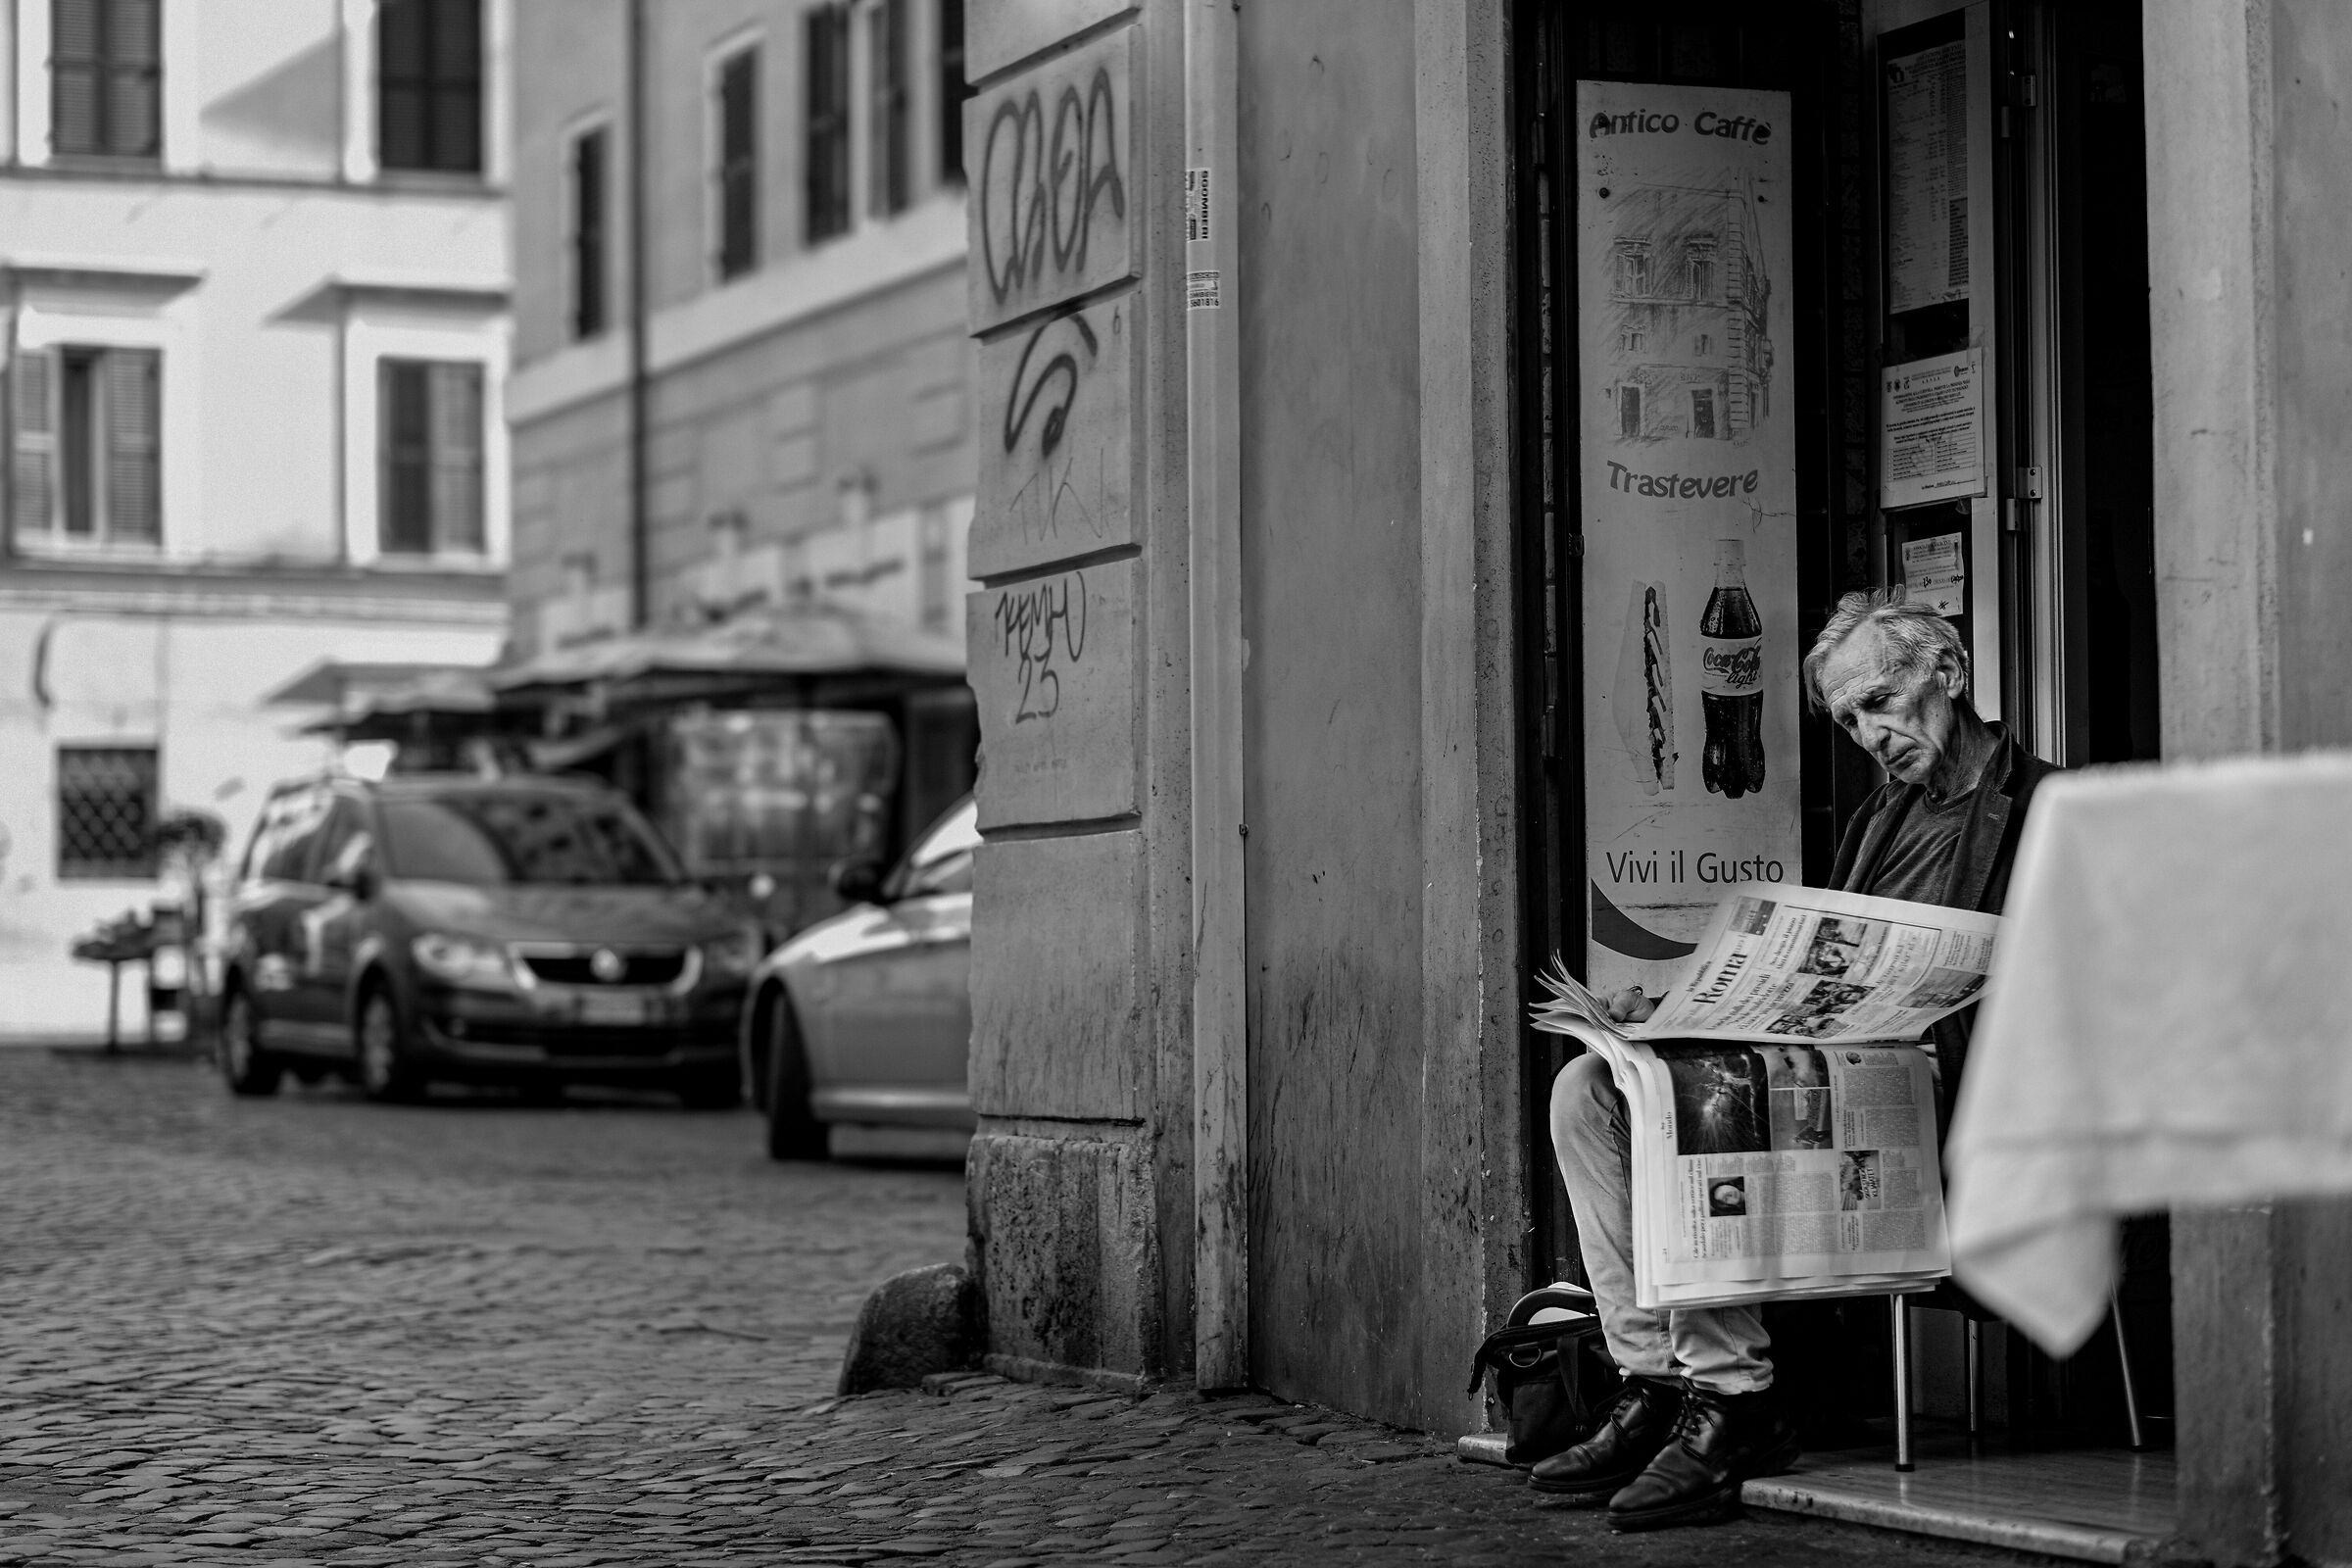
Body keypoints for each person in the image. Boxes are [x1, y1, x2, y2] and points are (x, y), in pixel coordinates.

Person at [1536, 591, 2059, 1531]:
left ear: (1947, 673)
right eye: (1850, 718)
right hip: (1848, 1083)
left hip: (1967, 1104)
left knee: (1695, 1099)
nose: (1870, 732)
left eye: (1883, 700)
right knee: (1591, 1087)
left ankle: (1736, 1398)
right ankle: (1657, 1376)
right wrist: (1671, 1011)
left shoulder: (2050, 806)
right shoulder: (1878, 821)